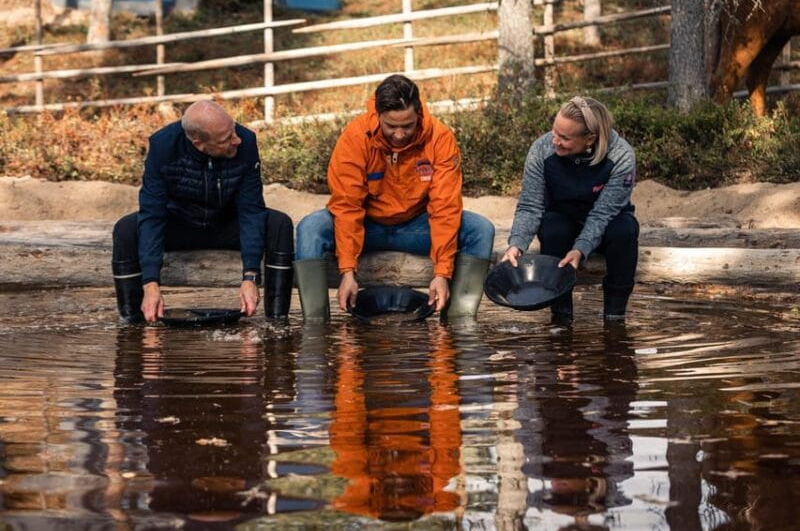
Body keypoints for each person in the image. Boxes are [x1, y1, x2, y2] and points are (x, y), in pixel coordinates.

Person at [294, 74, 495, 322]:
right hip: (367, 227)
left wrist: (442, 273)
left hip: (417, 227)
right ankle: (315, 326)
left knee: (480, 229)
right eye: (391, 126)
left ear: (419, 114)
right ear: (378, 115)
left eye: (407, 126)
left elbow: (445, 207)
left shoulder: (440, 138)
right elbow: (347, 206)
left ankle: (458, 323)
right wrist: (347, 271)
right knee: (310, 227)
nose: (399, 135)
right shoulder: (355, 137)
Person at [111, 100, 294, 323]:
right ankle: (133, 320)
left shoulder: (245, 141)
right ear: (199, 143)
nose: (236, 139)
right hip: (181, 225)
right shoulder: (163, 146)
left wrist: (250, 276)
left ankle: (277, 321)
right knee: (125, 229)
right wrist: (150, 283)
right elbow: (153, 214)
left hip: (225, 224)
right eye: (226, 139)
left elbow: (251, 211)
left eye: (233, 130)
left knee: (279, 223)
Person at [502, 96, 639, 321]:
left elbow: (602, 214)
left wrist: (581, 249)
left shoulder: (621, 156)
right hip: (562, 216)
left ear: (589, 139)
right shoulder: (541, 149)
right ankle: (561, 318)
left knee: (625, 231)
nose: (554, 140)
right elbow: (530, 205)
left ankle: (615, 317)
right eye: (554, 132)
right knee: (554, 229)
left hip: (608, 222)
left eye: (564, 137)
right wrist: (517, 244)